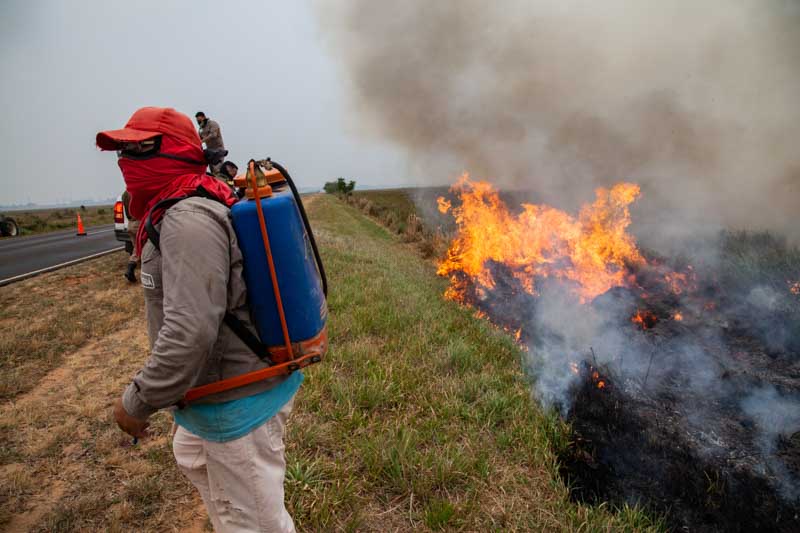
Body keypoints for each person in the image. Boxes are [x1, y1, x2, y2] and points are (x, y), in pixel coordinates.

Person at [97, 107, 301, 532]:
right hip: (220, 395)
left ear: (171, 152)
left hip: (234, 403)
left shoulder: (187, 221)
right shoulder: (180, 203)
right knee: (198, 464)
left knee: (255, 525)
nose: (126, 162)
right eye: (123, 151)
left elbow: (191, 333)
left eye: (137, 150)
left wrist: (136, 402)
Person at [121, 189, 139, 283]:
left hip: (130, 224)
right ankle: (131, 270)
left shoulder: (124, 194)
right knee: (142, 249)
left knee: (136, 249)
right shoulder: (137, 191)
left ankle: (130, 269)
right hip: (138, 223)